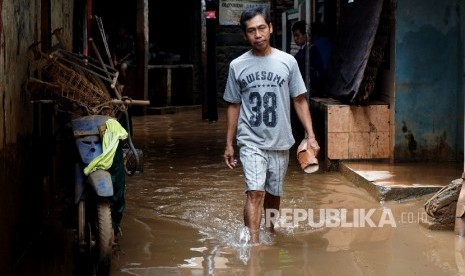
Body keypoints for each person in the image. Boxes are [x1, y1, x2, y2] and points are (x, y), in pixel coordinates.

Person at [223, 7, 320, 245]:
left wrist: (311, 135)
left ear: (271, 28)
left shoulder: (287, 62)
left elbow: (299, 99)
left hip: (280, 141)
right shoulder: (237, 66)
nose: (258, 34)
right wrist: (229, 143)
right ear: (245, 36)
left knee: (274, 195)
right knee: (255, 192)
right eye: (251, 31)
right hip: (251, 141)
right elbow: (234, 105)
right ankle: (255, 244)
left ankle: (270, 232)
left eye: (261, 28)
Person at [111, 23, 136, 91]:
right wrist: (115, 60)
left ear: (124, 30)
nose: (119, 31)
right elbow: (114, 50)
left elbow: (131, 53)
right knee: (114, 67)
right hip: (120, 59)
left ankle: (126, 83)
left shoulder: (130, 39)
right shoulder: (118, 39)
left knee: (123, 67)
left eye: (120, 30)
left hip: (128, 59)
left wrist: (122, 59)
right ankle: (117, 84)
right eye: (118, 30)